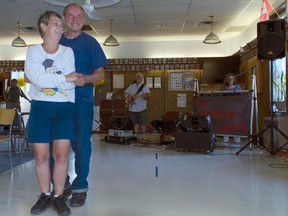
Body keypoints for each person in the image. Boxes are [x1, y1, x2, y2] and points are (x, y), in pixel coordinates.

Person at [25, 10, 79, 216]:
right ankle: (44, 194)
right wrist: (64, 77)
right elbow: (37, 79)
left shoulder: (67, 52)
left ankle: (58, 196)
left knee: (62, 154)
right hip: (40, 106)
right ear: (43, 26)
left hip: (64, 107)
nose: (61, 27)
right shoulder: (33, 52)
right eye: (56, 23)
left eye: (61, 24)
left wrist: (57, 80)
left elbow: (69, 85)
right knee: (40, 155)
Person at [54, 3, 108, 208]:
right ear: (64, 18)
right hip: (57, 101)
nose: (75, 19)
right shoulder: (55, 42)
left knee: (81, 145)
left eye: (79, 15)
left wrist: (86, 79)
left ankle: (80, 186)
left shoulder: (90, 42)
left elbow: (101, 73)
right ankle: (63, 184)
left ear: (84, 20)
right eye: (71, 15)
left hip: (81, 101)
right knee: (55, 146)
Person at [124, 72, 151, 140]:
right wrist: (128, 97)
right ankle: (136, 135)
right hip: (133, 108)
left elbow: (148, 95)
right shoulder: (131, 86)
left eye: (139, 77)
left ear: (142, 78)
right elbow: (125, 92)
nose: (138, 78)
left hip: (142, 108)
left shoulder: (144, 86)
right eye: (137, 77)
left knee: (143, 122)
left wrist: (144, 96)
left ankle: (143, 135)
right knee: (135, 122)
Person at [219, 73, 241, 143]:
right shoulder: (222, 88)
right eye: (229, 79)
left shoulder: (237, 87)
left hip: (235, 109)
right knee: (226, 124)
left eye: (232, 78)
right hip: (225, 109)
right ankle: (225, 140)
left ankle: (237, 140)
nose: (231, 80)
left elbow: (242, 97)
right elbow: (218, 97)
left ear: (234, 79)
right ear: (226, 80)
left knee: (235, 124)